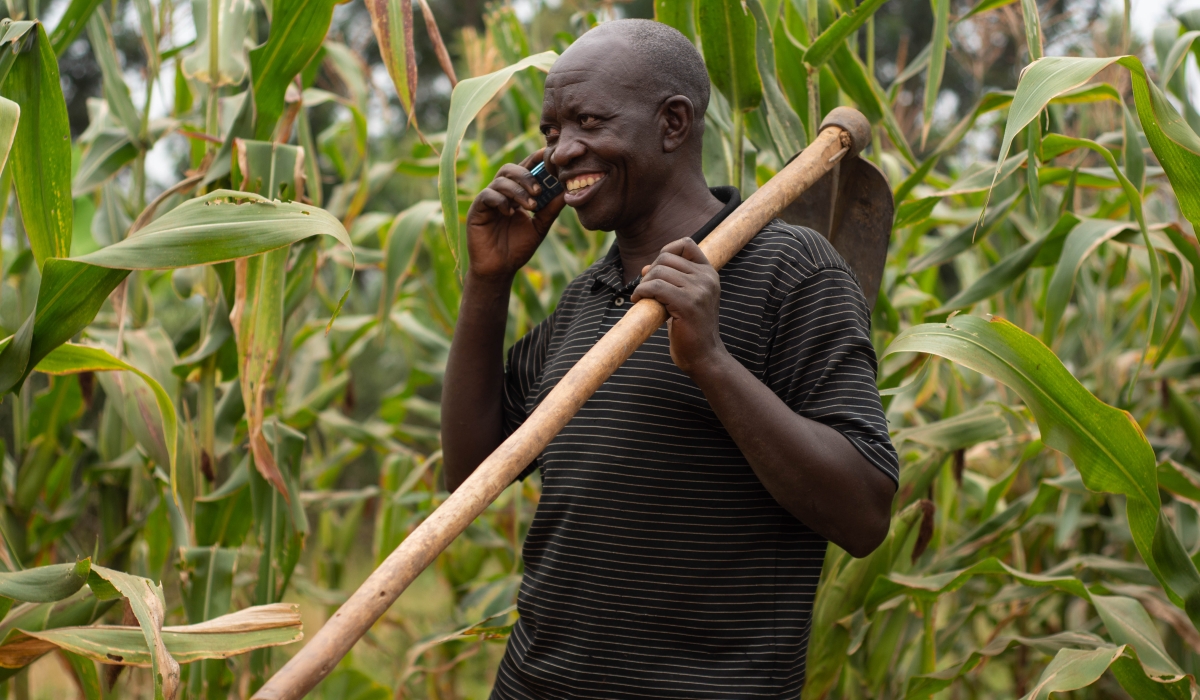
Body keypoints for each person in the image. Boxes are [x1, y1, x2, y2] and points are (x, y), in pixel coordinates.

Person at [441, 18, 898, 699]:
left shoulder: (792, 271)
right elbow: (469, 477)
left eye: (589, 122)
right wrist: (488, 281)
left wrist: (710, 360)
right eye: (550, 132)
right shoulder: (587, 299)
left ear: (674, 124)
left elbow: (864, 514)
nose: (562, 151)